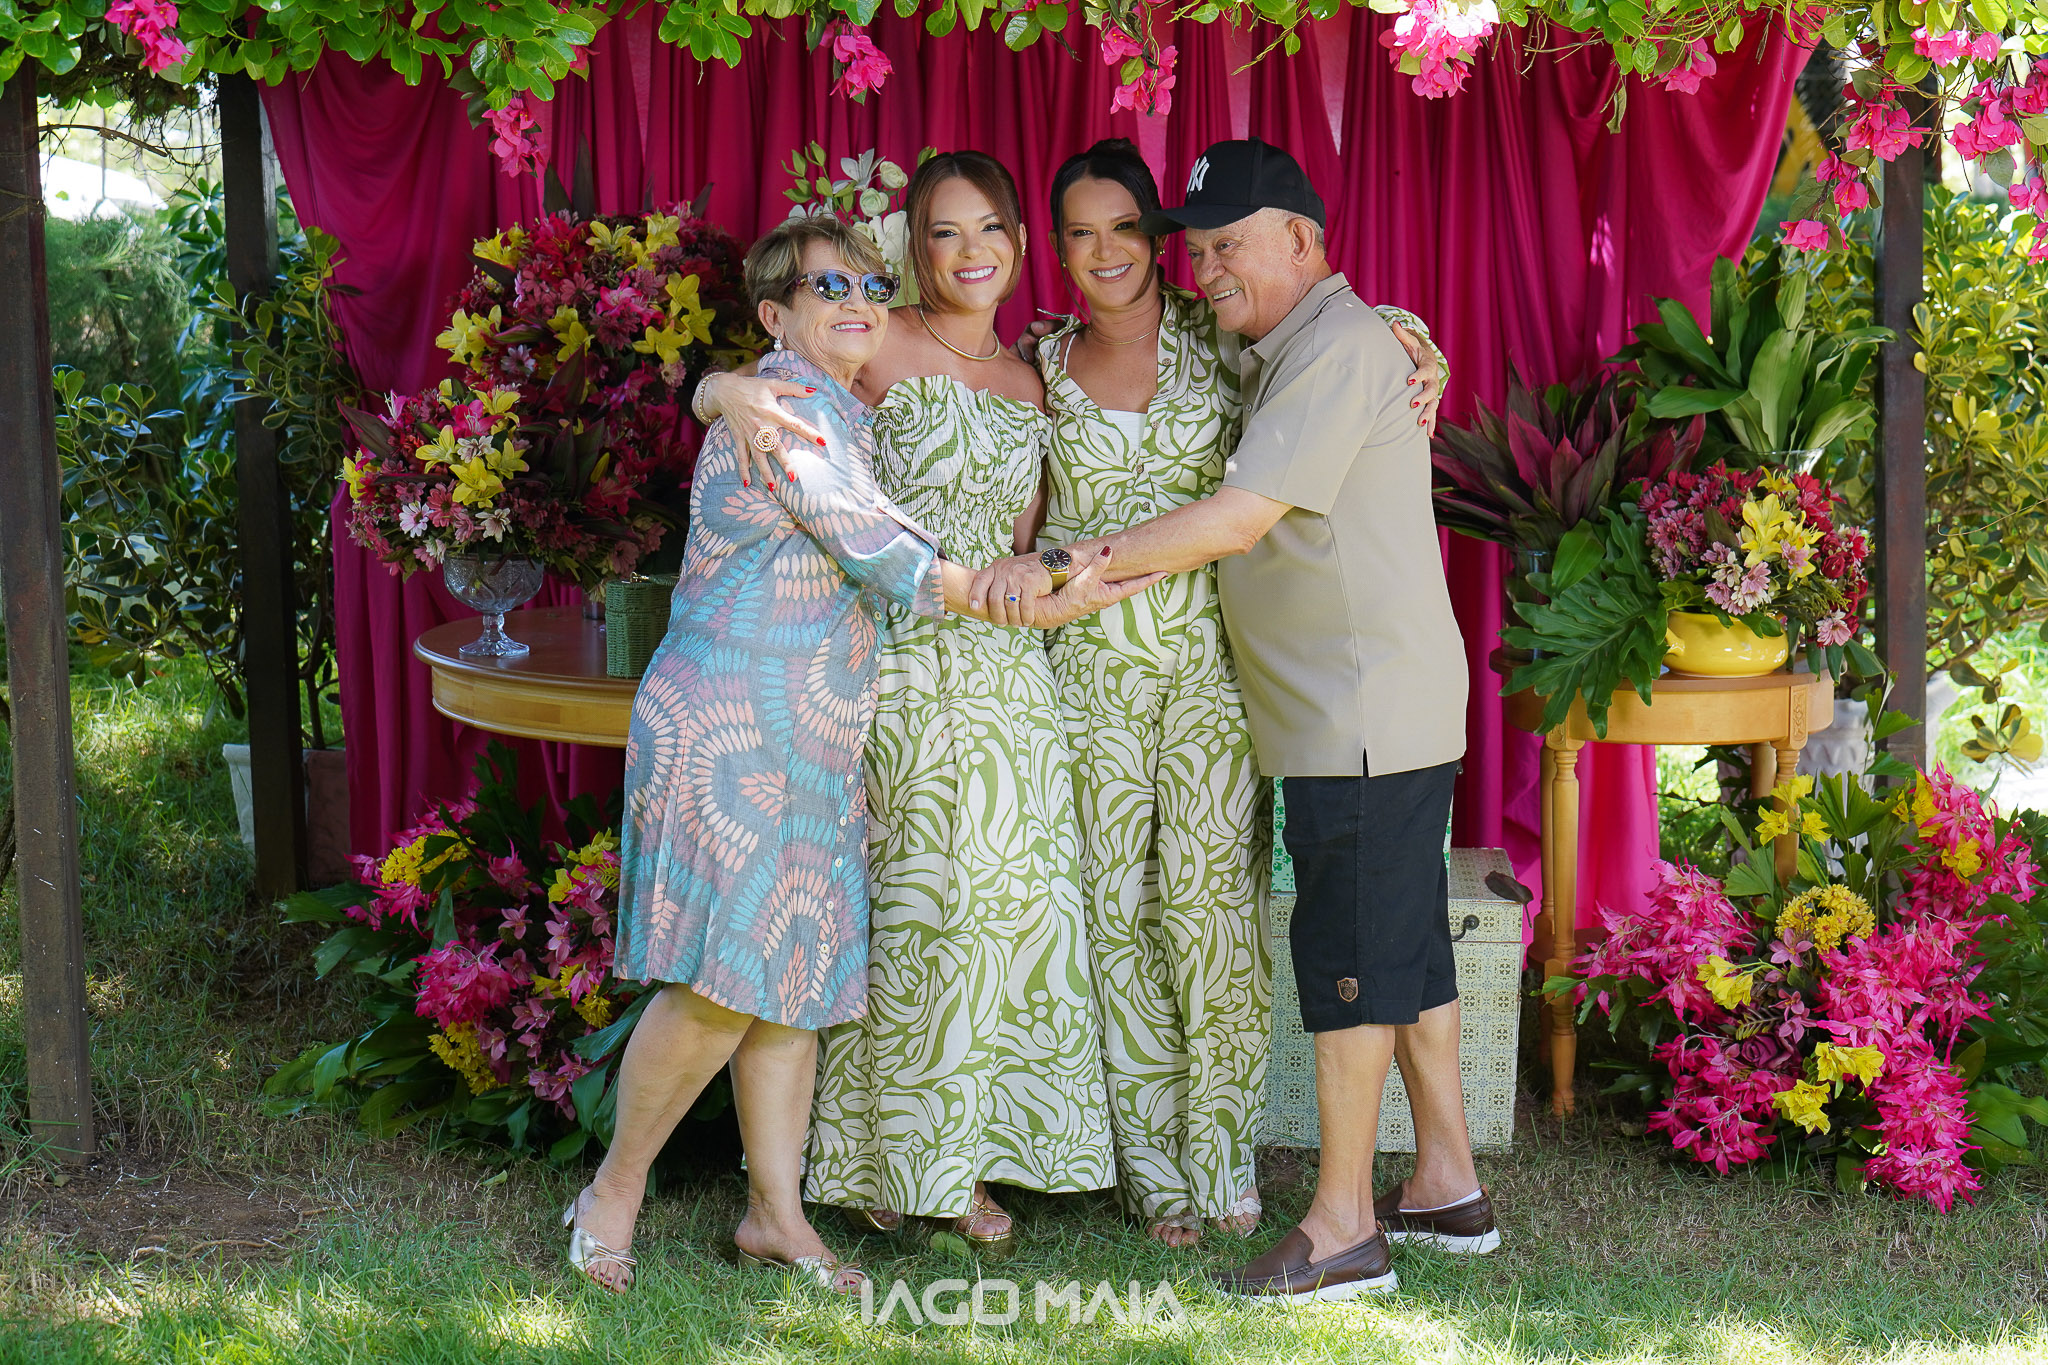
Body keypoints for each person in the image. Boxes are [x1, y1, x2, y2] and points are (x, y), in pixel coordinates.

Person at [566, 216, 1152, 1295]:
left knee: (790, 990)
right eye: (825, 286)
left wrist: (710, 388)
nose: (856, 300)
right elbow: (873, 543)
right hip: (733, 725)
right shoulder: (785, 407)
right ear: (774, 316)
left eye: (870, 285)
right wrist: (1021, 594)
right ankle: (613, 1191)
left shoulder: (843, 411)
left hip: (819, 728)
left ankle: (775, 1217)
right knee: (719, 987)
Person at [978, 136, 1499, 1302]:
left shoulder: (1332, 347)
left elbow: (1234, 518)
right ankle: (1445, 1186)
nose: (1207, 267)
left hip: (1354, 709)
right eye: (1199, 249)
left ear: (1303, 238)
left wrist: (1069, 563)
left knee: (1350, 964)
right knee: (1405, 950)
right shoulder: (1293, 344)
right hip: (1361, 706)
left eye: (1230, 245)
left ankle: (1341, 1227)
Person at [697, 152, 1118, 1249]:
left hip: (1010, 670)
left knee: (1011, 912)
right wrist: (717, 387)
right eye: (944, 231)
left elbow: (1021, 539)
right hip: (896, 655)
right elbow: (774, 382)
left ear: (1020, 241)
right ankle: (882, 1161)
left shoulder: (1032, 378)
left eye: (991, 228)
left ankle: (964, 1156)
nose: (971, 251)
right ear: (913, 250)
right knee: (920, 909)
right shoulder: (876, 338)